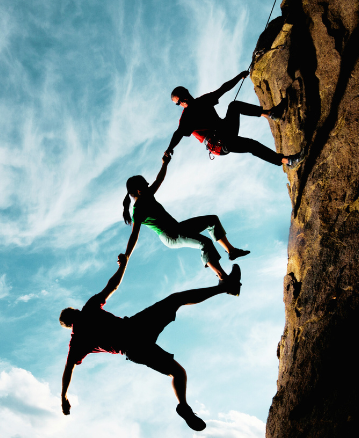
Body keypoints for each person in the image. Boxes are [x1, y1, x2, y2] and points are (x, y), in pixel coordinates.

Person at [58, 254, 241, 431]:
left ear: (69, 326)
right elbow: (112, 286)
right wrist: (122, 266)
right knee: (176, 299)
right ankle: (225, 287)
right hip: (136, 328)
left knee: (178, 372)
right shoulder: (88, 309)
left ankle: (183, 405)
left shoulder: (76, 341)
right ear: (74, 312)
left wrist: (63, 396)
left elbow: (68, 369)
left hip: (134, 350)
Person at [122, 152, 247, 282]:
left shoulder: (147, 196)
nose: (148, 186)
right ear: (138, 190)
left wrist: (164, 164)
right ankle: (224, 279)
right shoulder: (138, 210)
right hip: (170, 235)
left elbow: (159, 179)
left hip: (178, 228)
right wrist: (126, 256)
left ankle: (231, 251)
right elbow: (134, 235)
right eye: (145, 185)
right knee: (205, 243)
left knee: (212, 220)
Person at [163, 70, 298, 166]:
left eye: (180, 100)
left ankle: (271, 114)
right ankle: (287, 160)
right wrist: (169, 148)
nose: (180, 104)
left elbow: (223, 89)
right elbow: (178, 133)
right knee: (251, 145)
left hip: (225, 130)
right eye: (177, 103)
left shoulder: (202, 101)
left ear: (186, 93)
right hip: (219, 143)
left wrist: (239, 76)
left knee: (234, 106)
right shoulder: (187, 117)